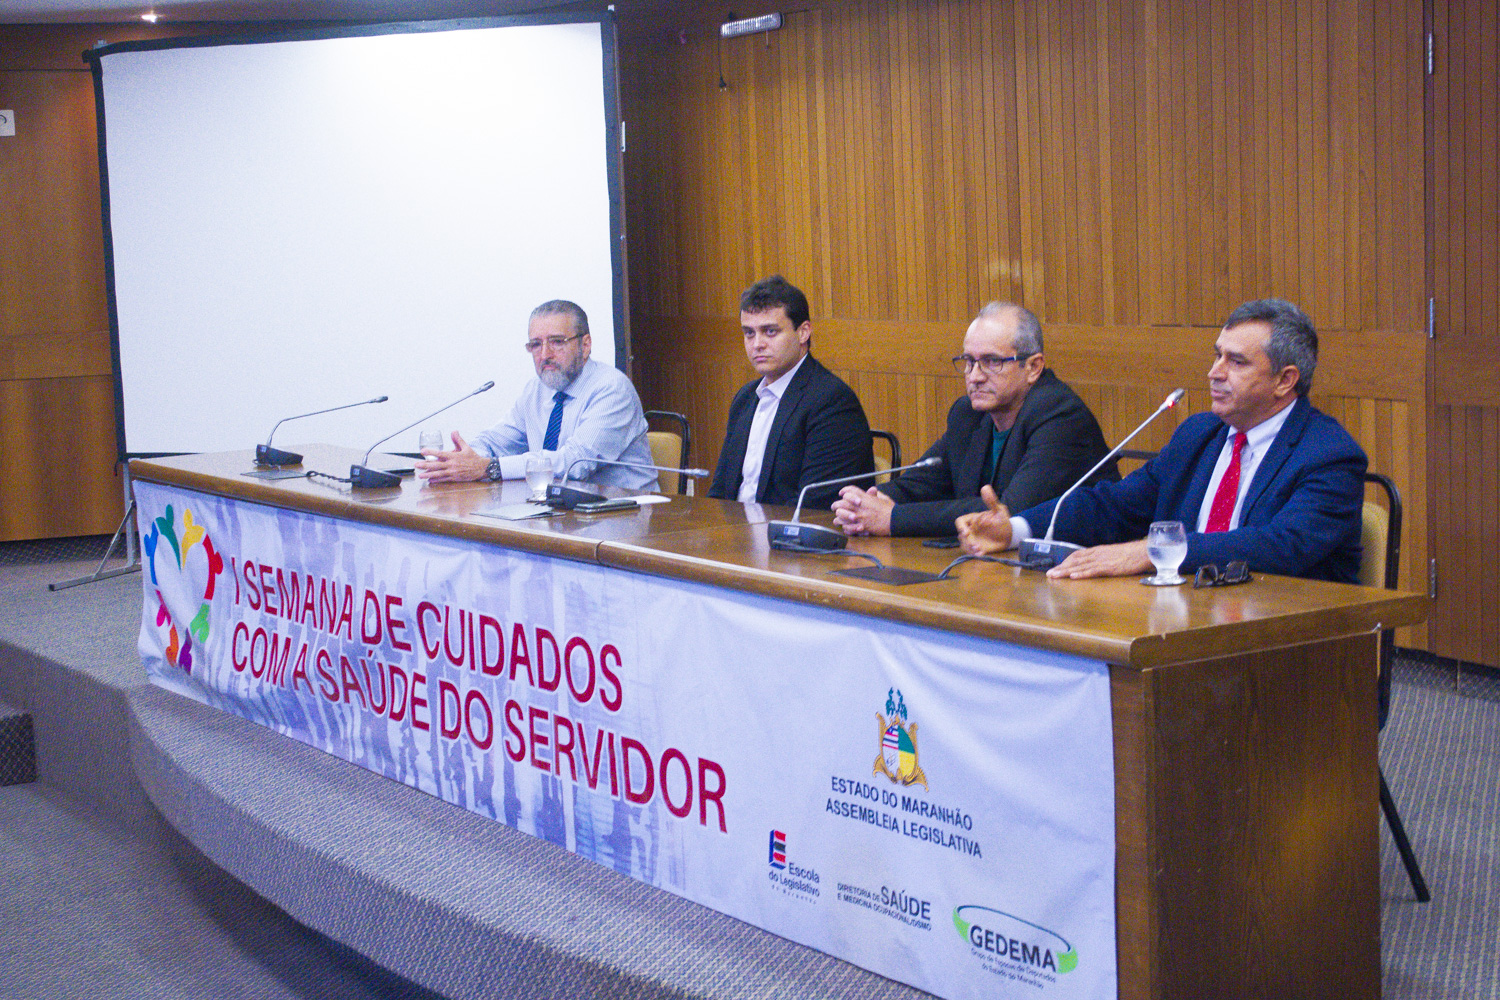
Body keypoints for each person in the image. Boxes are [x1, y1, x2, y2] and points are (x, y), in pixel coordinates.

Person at [956, 298, 1366, 583]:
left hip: (1284, 641)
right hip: (1181, 617)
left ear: (1285, 380)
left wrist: (1151, 551)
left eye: (1236, 361)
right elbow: (1113, 505)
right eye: (1217, 354)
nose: (1214, 372)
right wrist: (1013, 530)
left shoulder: (1328, 455)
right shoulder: (1199, 434)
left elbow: (1282, 546)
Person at [831, 301, 1116, 537]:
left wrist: (893, 518)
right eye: (969, 361)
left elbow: (1007, 513)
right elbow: (924, 482)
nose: (975, 376)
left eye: (992, 362)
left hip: (1078, 571)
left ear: (1033, 367)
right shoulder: (968, 414)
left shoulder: (1060, 416)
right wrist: (870, 501)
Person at [416, 300, 658, 490]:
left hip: (622, 518)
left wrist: (489, 468)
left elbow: (577, 462)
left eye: (557, 342)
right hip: (560, 513)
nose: (545, 354)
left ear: (585, 345)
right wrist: (463, 460)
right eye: (535, 344)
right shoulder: (536, 389)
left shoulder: (612, 389)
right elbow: (496, 441)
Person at [708, 275, 874, 508]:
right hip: (739, 535)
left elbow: (815, 504)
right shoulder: (745, 399)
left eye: (770, 332)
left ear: (803, 332)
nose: (757, 344)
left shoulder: (831, 401)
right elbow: (721, 490)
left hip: (788, 538)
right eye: (749, 333)